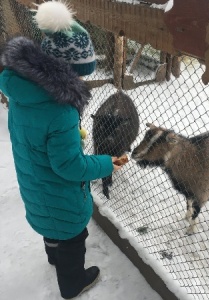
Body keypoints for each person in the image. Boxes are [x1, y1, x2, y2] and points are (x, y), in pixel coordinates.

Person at [0, 1, 122, 299]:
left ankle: (53, 257)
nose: (81, 80)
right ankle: (72, 283)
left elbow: (36, 137)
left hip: (35, 184)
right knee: (72, 237)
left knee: (51, 228)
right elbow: (70, 166)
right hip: (60, 194)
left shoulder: (22, 94)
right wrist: (107, 163)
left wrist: (71, 134)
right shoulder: (61, 111)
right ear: (64, 72)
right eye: (79, 75)